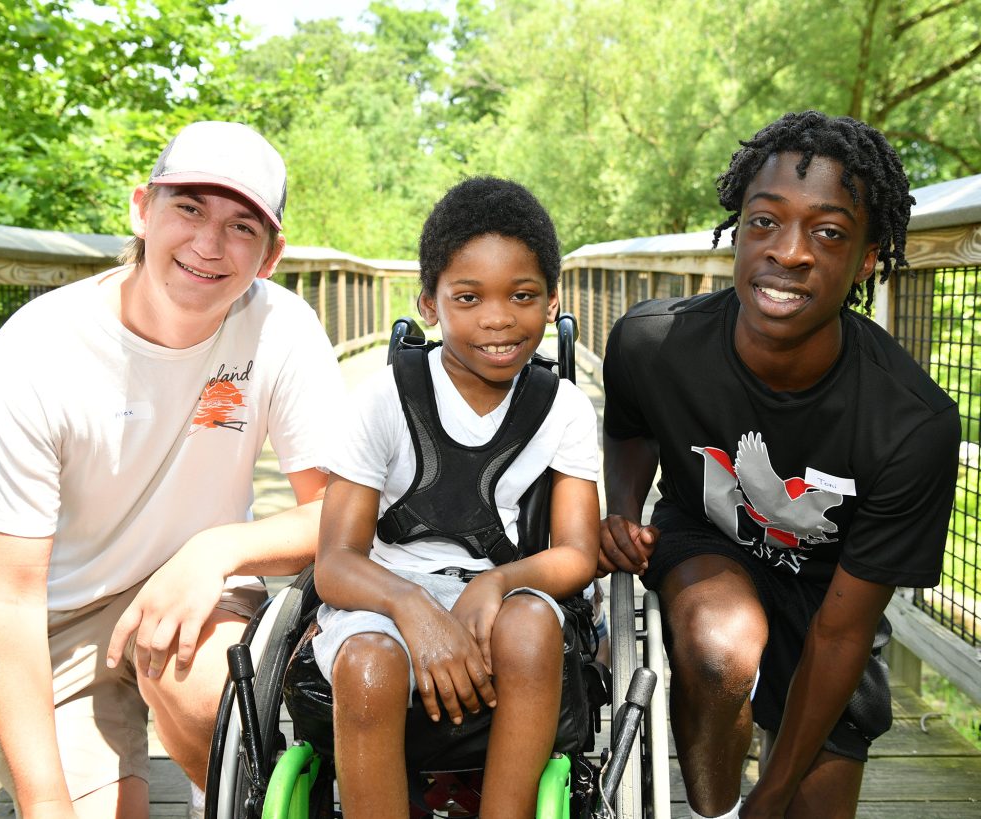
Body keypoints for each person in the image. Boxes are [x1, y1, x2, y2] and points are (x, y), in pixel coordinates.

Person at [0, 121, 344, 819]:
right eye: (189, 207)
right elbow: (4, 595)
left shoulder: (281, 330)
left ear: (271, 255)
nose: (208, 243)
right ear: (142, 208)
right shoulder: (35, 352)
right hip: (60, 626)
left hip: (204, 600)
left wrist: (215, 548)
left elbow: (344, 516)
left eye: (241, 225)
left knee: (207, 692)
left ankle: (229, 795)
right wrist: (45, 800)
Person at [598, 110, 959, 819]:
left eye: (827, 232)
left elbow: (842, 631)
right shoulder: (651, 344)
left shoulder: (911, 424)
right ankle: (713, 812)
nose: (788, 252)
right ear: (736, 233)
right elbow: (633, 427)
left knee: (804, 800)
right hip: (710, 539)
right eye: (764, 221)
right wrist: (623, 508)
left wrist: (774, 791)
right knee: (717, 648)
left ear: (866, 260)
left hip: (831, 593)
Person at [311, 176, 600, 818]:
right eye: (468, 297)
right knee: (368, 663)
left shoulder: (566, 410)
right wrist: (413, 607)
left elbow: (578, 553)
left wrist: (496, 585)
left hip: (499, 589)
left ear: (552, 301)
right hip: (384, 590)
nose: (498, 319)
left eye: (522, 296)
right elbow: (334, 564)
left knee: (529, 627)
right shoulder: (383, 400)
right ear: (431, 304)